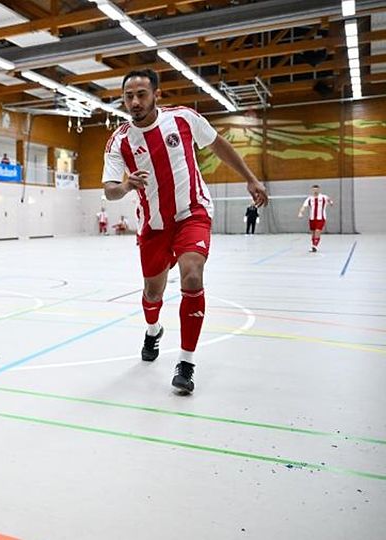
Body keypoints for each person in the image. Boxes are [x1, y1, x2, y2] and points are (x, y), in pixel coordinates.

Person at [101, 68, 268, 394]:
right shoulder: (118, 141)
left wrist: (250, 177)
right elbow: (109, 190)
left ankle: (186, 362)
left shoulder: (183, 119)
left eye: (141, 94)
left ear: (157, 95)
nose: (134, 102)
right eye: (128, 96)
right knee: (153, 293)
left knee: (192, 275)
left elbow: (218, 145)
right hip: (153, 226)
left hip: (192, 213)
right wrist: (124, 186)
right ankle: (153, 330)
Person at [297, 185, 333, 252]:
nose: (315, 191)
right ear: (312, 190)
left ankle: (315, 246)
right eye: (314, 189)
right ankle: (313, 245)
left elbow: (329, 200)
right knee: (313, 232)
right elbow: (304, 206)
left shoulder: (323, 197)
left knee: (317, 231)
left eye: (316, 189)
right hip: (312, 218)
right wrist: (300, 213)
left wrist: (331, 202)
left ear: (319, 190)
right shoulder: (309, 199)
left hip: (321, 218)